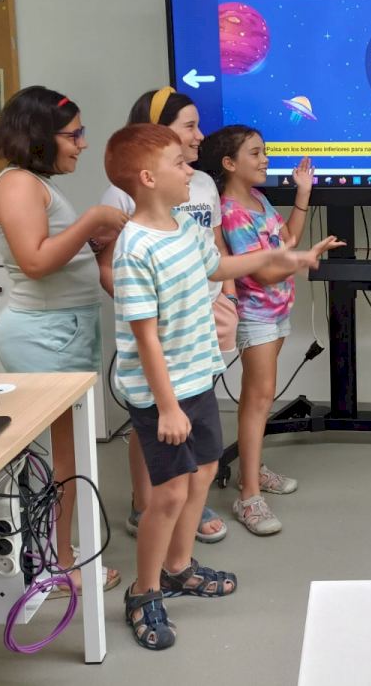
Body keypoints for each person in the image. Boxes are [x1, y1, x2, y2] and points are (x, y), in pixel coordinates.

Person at [105, 124, 331, 650]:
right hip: (161, 394)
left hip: (197, 378)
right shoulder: (135, 247)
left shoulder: (185, 226)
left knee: (204, 472)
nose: (191, 169)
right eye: (179, 163)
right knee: (169, 493)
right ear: (147, 178)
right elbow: (145, 338)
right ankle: (144, 591)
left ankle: (178, 566)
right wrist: (166, 407)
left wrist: (287, 258)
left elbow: (221, 265)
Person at [0, 85, 128, 595]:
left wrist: (88, 240)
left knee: (69, 456)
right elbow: (35, 261)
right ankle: (60, 565)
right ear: (40, 137)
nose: (82, 143)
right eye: (74, 134)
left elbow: (51, 248)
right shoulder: (18, 186)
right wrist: (91, 220)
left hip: (63, 329)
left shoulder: (36, 184)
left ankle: (59, 557)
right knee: (61, 460)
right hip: (44, 335)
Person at [100, 87, 235, 545]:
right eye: (189, 127)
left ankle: (181, 526)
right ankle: (149, 508)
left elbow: (215, 250)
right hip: (164, 336)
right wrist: (148, 309)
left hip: (200, 329)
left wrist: (231, 293)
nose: (200, 137)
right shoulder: (129, 211)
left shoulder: (200, 187)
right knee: (160, 434)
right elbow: (117, 272)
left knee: (197, 445)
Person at [199, 126, 318, 535]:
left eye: (264, 150)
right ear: (229, 163)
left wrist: (303, 194)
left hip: (277, 312)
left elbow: (286, 241)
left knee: (261, 399)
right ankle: (248, 496)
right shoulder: (231, 210)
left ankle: (253, 469)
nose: (265, 158)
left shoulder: (259, 199)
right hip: (256, 316)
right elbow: (265, 272)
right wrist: (302, 260)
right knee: (258, 400)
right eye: (255, 153)